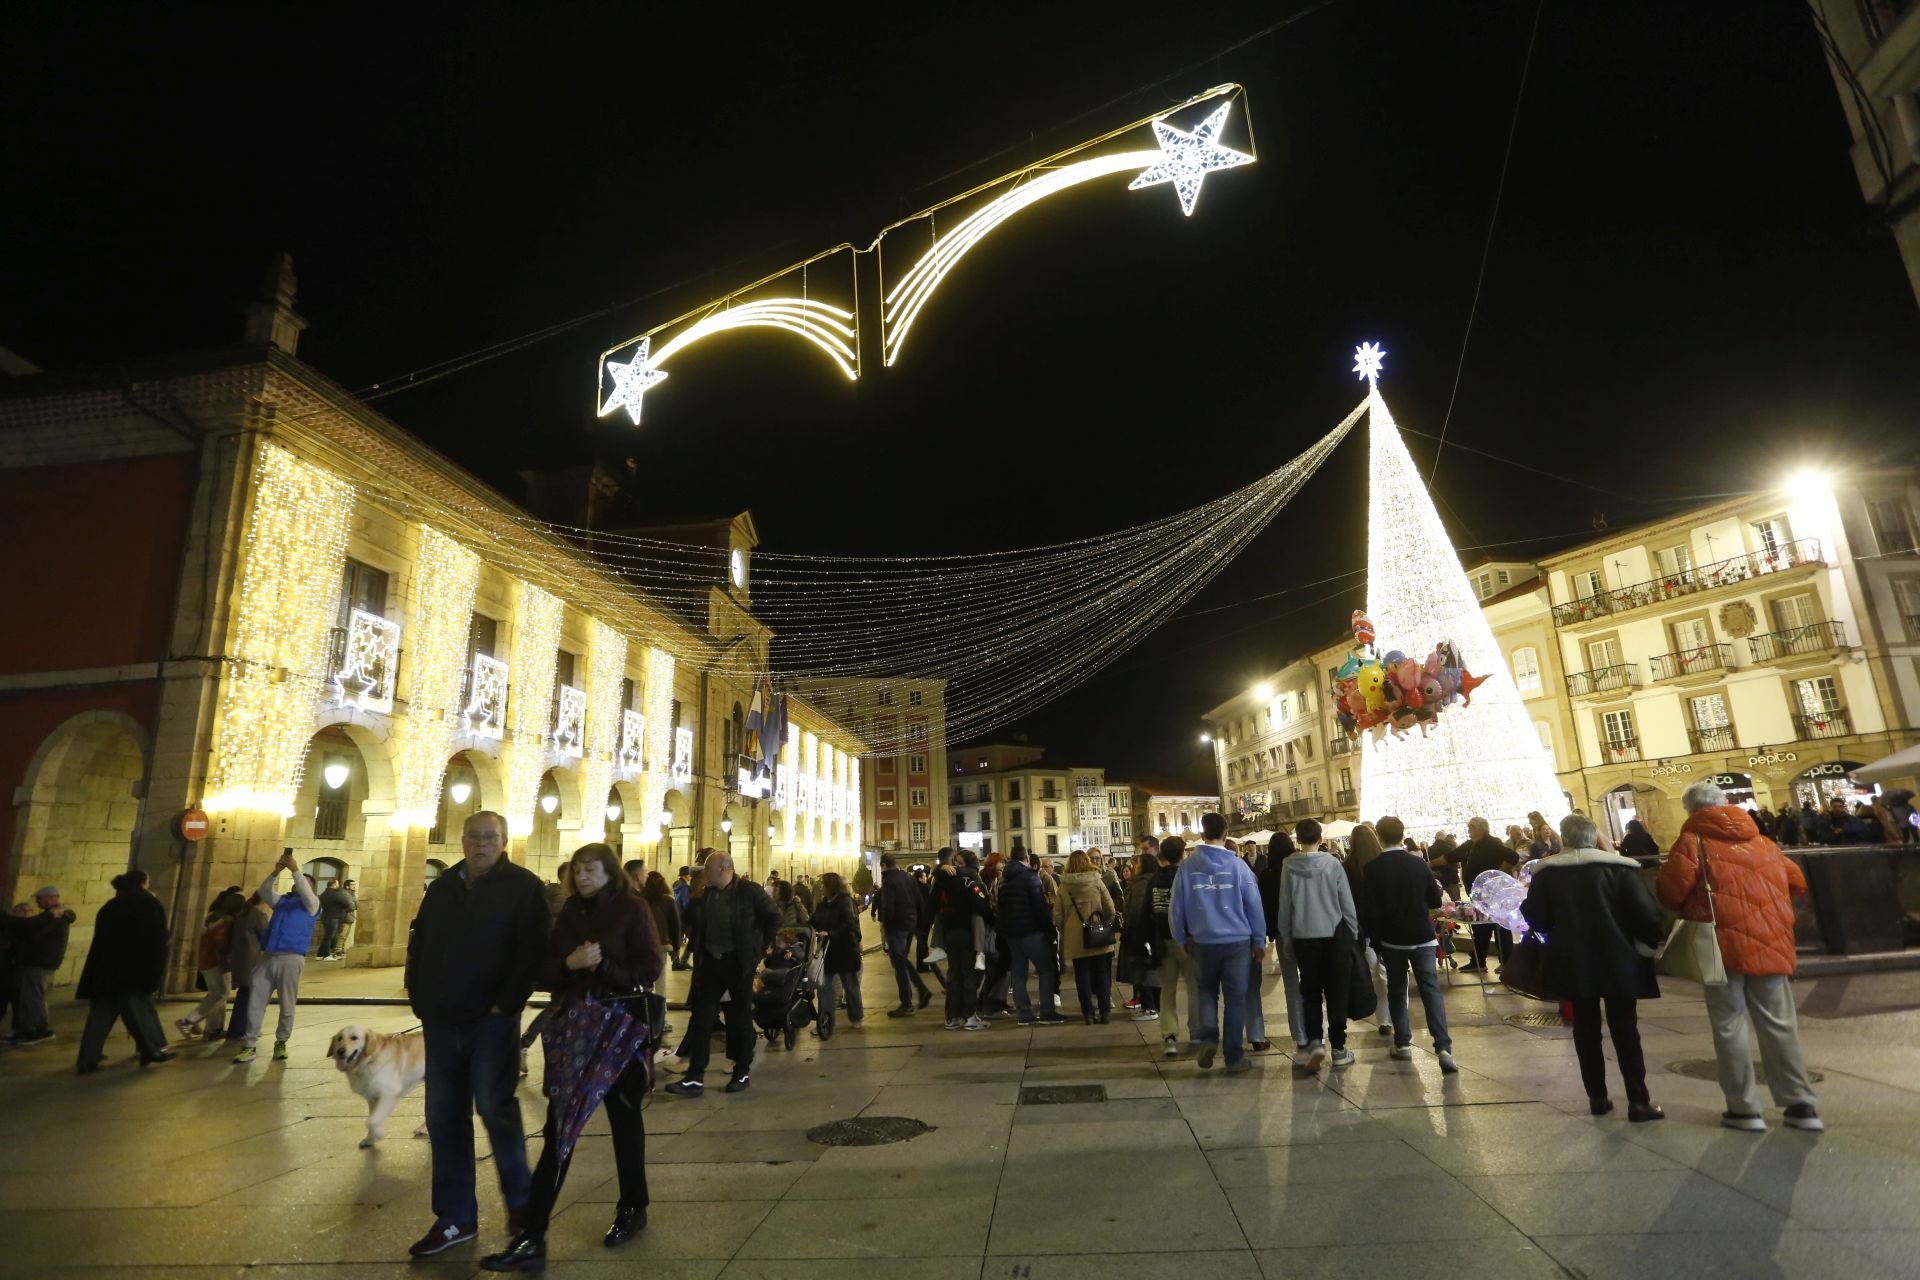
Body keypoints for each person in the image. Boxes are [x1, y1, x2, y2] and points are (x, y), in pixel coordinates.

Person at [483, 844, 662, 1271]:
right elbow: (545, 971)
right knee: (558, 1127)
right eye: (577, 870)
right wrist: (571, 962)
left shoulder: (632, 909)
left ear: (608, 871)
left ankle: (632, 1208)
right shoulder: (568, 914)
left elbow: (650, 967)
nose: (581, 877)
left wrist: (601, 968)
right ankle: (533, 1235)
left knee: (624, 1119)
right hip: (575, 1032)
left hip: (620, 1029)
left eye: (590, 869)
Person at [405, 810, 551, 1259]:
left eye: (490, 837)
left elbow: (533, 952)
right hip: (442, 1018)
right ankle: (454, 1219)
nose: (480, 843)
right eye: (473, 836)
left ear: (504, 841)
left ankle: (523, 1212)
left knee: (496, 1108)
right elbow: (420, 941)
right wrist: (419, 995)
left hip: (491, 1021)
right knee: (444, 1117)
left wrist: (505, 1004)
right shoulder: (445, 887)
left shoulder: (523, 887)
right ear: (462, 839)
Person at [1656, 780, 1822, 1133]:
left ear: (1690, 810)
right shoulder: (1763, 841)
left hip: (1719, 945)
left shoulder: (1692, 841)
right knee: (1779, 1024)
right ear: (1726, 803)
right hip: (1771, 941)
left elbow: (1670, 892)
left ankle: (1744, 1109)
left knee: (1729, 1025)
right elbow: (1796, 882)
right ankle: (1800, 1105)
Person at [1521, 813, 1666, 1123]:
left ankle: (1597, 1098)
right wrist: (1646, 946)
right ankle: (1639, 1102)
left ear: (1564, 838)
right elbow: (1649, 915)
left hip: (1573, 961)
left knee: (1585, 1030)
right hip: (1620, 959)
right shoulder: (1619, 868)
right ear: (1594, 836)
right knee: (1626, 1030)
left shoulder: (1547, 873)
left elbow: (1535, 917)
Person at [664, 852, 779, 1096]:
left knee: (739, 1018)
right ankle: (695, 1077)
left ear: (725, 869)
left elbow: (773, 917)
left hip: (738, 964)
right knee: (701, 1018)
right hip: (710, 964)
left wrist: (760, 948)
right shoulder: (706, 894)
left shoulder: (749, 891)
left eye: (709, 870)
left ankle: (741, 1070)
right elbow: (689, 922)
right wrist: (694, 898)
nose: (705, 874)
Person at [1169, 813, 1266, 1073]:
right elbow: (1254, 906)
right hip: (1237, 941)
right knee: (1235, 999)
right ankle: (1234, 1057)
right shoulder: (1239, 867)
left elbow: (1175, 909)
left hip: (1202, 941)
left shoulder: (1187, 868)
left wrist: (1182, 938)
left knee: (1205, 993)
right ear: (1226, 835)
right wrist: (1259, 941)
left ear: (1202, 835)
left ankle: (1209, 1039)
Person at [1361, 817, 1457, 1072]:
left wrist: (1374, 940)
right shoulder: (1418, 864)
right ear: (1403, 836)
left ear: (1379, 837)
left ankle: (1402, 1043)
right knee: (1430, 990)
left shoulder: (1372, 868)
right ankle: (1444, 1048)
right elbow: (1435, 899)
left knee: (1396, 988)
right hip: (1423, 936)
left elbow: (1371, 910)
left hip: (1393, 940)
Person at [1276, 818, 1358, 1072]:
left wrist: (1286, 936)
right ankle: (1339, 1048)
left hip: (1303, 936)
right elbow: (1346, 901)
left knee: (1309, 991)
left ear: (1297, 840)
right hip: (1333, 935)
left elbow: (1285, 905)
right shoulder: (1333, 864)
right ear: (1320, 839)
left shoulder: (1288, 866)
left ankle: (1315, 1041)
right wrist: (1352, 933)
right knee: (1336, 991)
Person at [73, 869, 173, 1073]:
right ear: (143, 883)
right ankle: (152, 1049)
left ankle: (88, 1058)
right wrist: (155, 972)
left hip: (104, 972)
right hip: (133, 972)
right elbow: (156, 940)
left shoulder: (110, 906)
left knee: (100, 1016)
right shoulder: (148, 904)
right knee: (141, 1011)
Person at [234, 851, 322, 1064]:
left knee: (287, 1003)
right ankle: (250, 1044)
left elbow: (306, 892)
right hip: (268, 956)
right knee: (256, 1001)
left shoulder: (313, 905)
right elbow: (264, 891)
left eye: (305, 882)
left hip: (291, 958)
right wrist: (276, 871)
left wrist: (295, 870)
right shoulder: (283, 902)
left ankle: (281, 1041)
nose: (300, 884)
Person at [928, 849, 994, 1030]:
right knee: (968, 975)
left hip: (950, 933)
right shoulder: (969, 882)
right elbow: (983, 907)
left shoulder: (942, 882)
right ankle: (968, 1017)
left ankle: (952, 1017)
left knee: (953, 974)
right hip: (967, 933)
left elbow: (931, 904)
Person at [999, 849, 1064, 1027]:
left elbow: (1001, 908)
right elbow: (1040, 907)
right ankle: (1047, 1011)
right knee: (1046, 969)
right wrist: (1049, 930)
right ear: (1026, 859)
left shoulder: (1004, 879)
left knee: (1019, 974)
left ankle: (1024, 1014)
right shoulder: (1030, 876)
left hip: (1013, 934)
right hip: (1031, 932)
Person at [1056, 849, 1119, 1024]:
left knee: (1082, 975)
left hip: (1076, 938)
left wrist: (1068, 929)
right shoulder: (1096, 880)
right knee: (1103, 973)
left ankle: (1088, 1014)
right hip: (1098, 934)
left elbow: (1058, 916)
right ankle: (1105, 1011)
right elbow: (1111, 908)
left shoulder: (1064, 886)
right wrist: (1104, 922)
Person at [8, 885, 76, 1044]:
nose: (37, 901)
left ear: (51, 898)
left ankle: (39, 1030)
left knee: (34, 997)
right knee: (31, 996)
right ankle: (28, 1029)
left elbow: (33, 930)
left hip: (41, 961)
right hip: (39, 961)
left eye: (40, 898)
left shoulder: (55, 916)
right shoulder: (55, 915)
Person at [1150, 837, 1199, 1056]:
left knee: (1167, 990)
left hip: (1161, 940)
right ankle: (1196, 1032)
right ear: (1182, 854)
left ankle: (1169, 1036)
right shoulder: (1187, 876)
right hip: (1187, 940)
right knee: (1194, 987)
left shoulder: (1154, 878)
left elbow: (1147, 911)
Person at [176, 889, 246, 1040]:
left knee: (216, 994)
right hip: (216, 962)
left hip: (206, 960)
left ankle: (213, 1029)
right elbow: (221, 944)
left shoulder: (213, 916)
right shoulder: (225, 921)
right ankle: (189, 1021)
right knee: (221, 994)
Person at [1344, 823, 1393, 1040]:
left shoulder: (1347, 866)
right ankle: (1390, 1018)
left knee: (1374, 974)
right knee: (1388, 975)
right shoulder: (1383, 863)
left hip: (1362, 929)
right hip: (1386, 927)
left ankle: (1382, 1019)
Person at [1260, 832, 1306, 1050]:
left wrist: (1270, 932)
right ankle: (1317, 1030)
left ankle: (1299, 1034)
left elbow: (1266, 906)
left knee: (1290, 984)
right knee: (1311, 981)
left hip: (1282, 933)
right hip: (1306, 931)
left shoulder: (1268, 874)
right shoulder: (1300, 869)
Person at [876, 853, 931, 1017]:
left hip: (896, 926)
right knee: (902, 960)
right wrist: (920, 922)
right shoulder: (907, 877)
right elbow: (919, 899)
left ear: (883, 865)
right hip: (910, 924)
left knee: (899, 964)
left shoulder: (888, 881)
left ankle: (908, 1003)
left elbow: (888, 906)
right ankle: (920, 990)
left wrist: (886, 925)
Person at [1460, 817, 1518, 972]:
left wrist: (1499, 873)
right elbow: (1451, 856)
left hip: (1493, 895)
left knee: (1500, 927)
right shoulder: (1472, 845)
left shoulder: (1491, 843)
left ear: (1482, 829)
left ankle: (1507, 962)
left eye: (1472, 827)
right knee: (1481, 928)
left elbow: (1513, 856)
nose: (1469, 830)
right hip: (1480, 896)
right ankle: (1478, 961)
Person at [810, 872, 865, 1029]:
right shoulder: (823, 903)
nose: (821, 887)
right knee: (824, 987)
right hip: (827, 951)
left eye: (822, 884)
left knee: (850, 986)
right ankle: (825, 1020)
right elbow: (813, 920)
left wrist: (831, 933)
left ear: (830, 886)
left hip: (845, 949)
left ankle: (856, 1017)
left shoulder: (845, 901)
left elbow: (848, 922)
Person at [1119, 850, 1161, 1020]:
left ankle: (1149, 1007)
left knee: (1142, 970)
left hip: (1140, 933)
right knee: (1150, 969)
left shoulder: (1142, 884)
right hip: (1152, 933)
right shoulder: (1154, 880)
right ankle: (1153, 1006)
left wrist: (1130, 929)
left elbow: (1137, 910)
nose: (1134, 867)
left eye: (1137, 864)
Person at [223, 892, 269, 1044]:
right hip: (252, 961)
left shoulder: (244, 912)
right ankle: (241, 1030)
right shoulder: (257, 914)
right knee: (249, 997)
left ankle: (236, 1030)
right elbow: (266, 936)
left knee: (244, 995)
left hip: (241, 960)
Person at [317, 878, 356, 960]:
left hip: (326, 916)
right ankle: (327, 955)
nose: (338, 885)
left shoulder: (324, 893)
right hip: (333, 917)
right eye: (337, 884)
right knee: (330, 937)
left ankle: (320, 955)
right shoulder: (335, 894)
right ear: (334, 885)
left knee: (327, 937)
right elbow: (346, 904)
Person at [670, 867, 693, 969]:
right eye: (689, 875)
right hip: (684, 917)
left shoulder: (677, 885)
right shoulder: (684, 887)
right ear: (685, 876)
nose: (691, 876)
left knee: (677, 940)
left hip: (677, 916)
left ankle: (676, 962)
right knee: (693, 938)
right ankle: (683, 961)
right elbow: (686, 903)